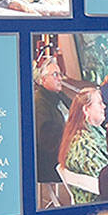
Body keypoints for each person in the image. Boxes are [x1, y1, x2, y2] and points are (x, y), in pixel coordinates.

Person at [58, 87, 107, 204]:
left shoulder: (90, 131)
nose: (104, 106)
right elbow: (106, 179)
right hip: (99, 203)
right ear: (86, 110)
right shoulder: (83, 145)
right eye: (100, 103)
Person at [33, 57, 70, 185]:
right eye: (55, 75)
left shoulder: (58, 95)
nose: (60, 78)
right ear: (43, 80)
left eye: (60, 74)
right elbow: (49, 142)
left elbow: (76, 111)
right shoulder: (40, 103)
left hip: (66, 150)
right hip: (51, 164)